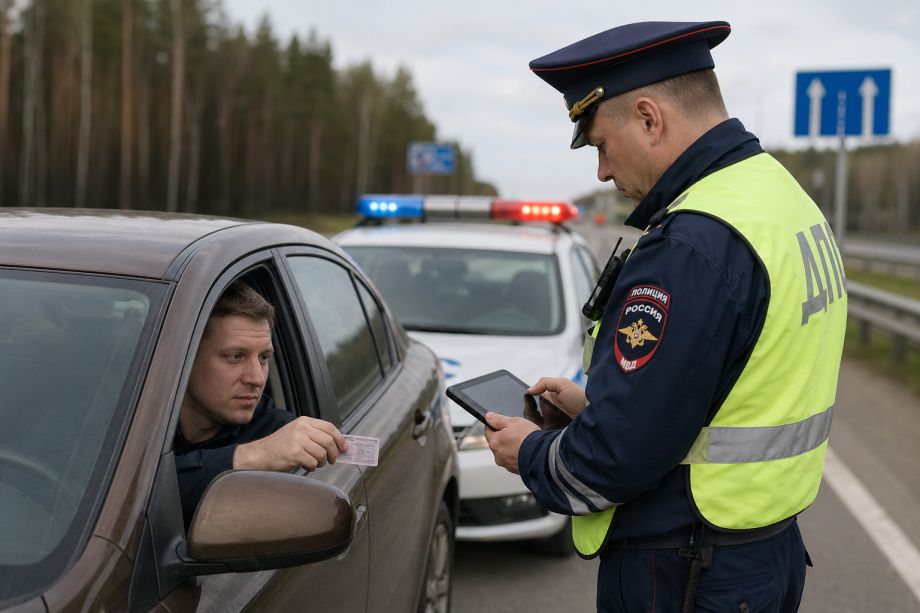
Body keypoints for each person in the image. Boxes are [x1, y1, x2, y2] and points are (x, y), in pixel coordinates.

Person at [484, 20, 847, 612]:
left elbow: (612, 463)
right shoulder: (778, 195)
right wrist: (598, 409)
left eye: (600, 143)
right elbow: (732, 381)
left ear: (650, 119)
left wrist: (529, 452)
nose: (600, 171)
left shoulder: (691, 244)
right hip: (762, 552)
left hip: (687, 570)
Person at [174, 281, 347, 529]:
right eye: (235, 357)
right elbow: (127, 501)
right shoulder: (130, 418)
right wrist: (253, 456)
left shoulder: (283, 435)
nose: (257, 378)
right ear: (185, 359)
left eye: (264, 358)